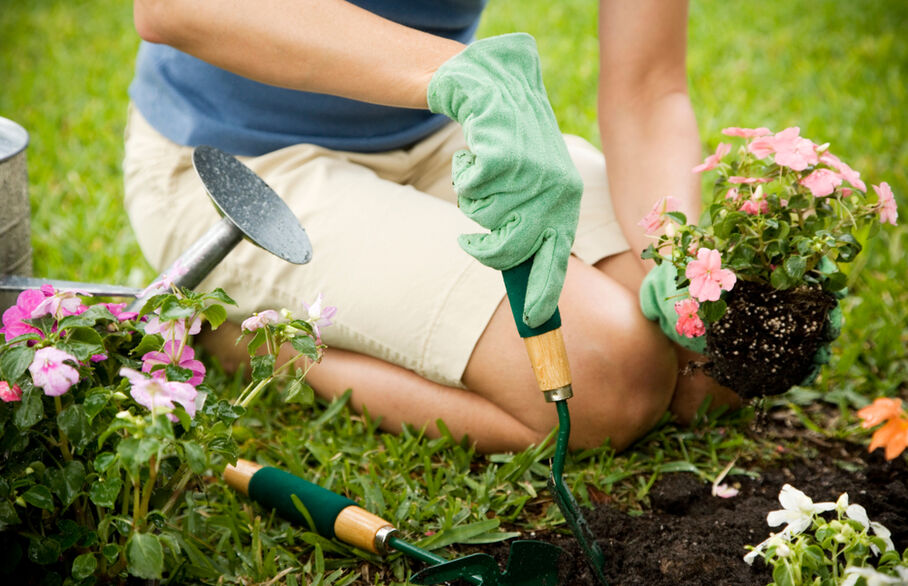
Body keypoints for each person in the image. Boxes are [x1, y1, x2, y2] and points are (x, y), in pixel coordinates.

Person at [124, 0, 741, 454]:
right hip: (240, 171)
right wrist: (464, 74)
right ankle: (248, 340)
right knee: (605, 384)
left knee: (712, 367)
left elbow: (648, 87)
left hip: (433, 127)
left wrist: (675, 256)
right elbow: (172, 7)